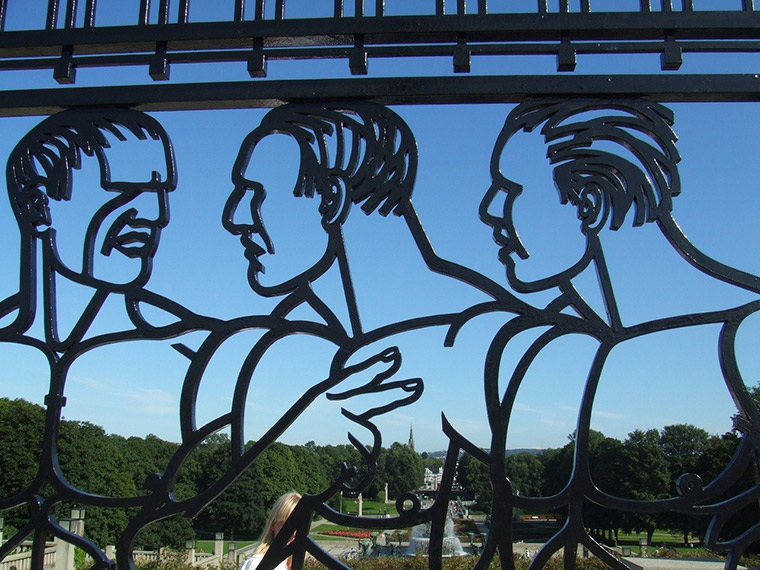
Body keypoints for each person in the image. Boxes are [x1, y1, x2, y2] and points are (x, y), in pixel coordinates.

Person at [471, 99, 760, 568]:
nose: (489, 211)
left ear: (586, 202)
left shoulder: (747, 334)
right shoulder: (566, 347)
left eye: (509, 190)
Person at [0, 108, 218, 568]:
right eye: (124, 190)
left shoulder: (187, 346)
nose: (155, 215)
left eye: (160, 194)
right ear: (41, 205)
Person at [239, 492, 302, 570]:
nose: (294, 533)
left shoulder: (291, 565)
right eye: (288, 526)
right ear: (273, 525)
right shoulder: (257, 563)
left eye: (299, 526)